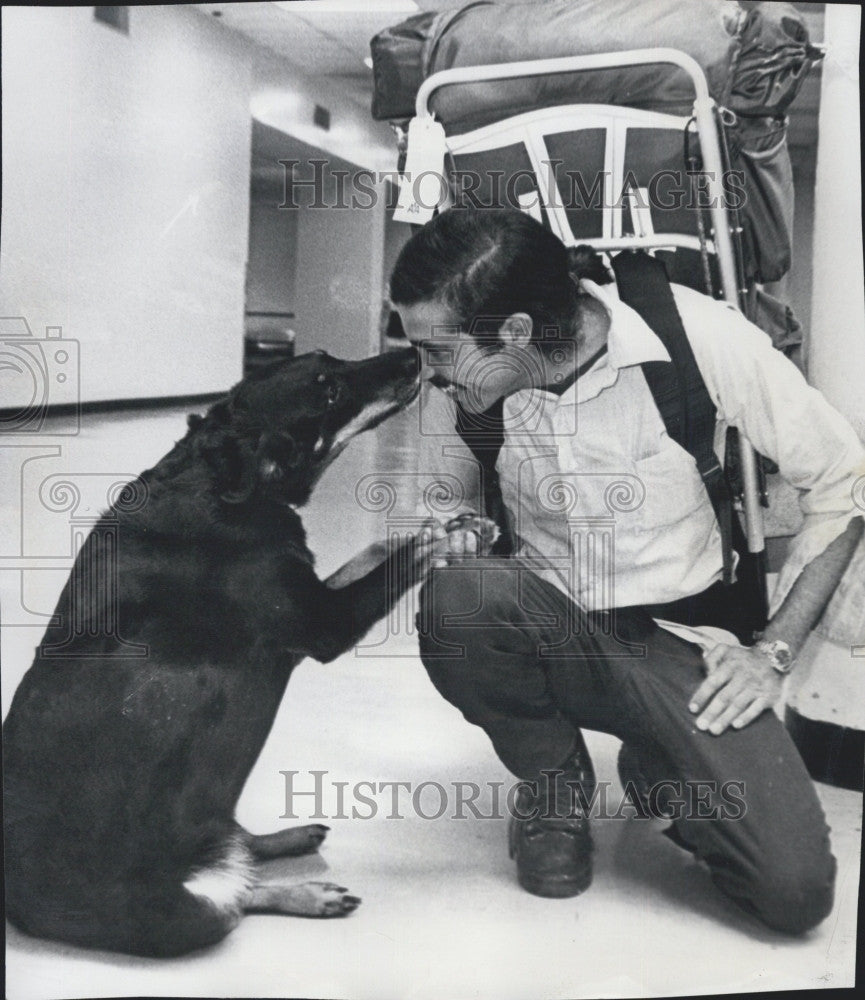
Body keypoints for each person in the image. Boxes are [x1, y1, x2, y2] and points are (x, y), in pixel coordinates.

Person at [389, 206, 864, 935]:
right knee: (459, 598)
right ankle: (555, 785)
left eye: (438, 352)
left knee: (792, 893)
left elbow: (843, 483)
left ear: (514, 335)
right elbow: (451, 502)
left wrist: (772, 652)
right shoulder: (466, 395)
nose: (426, 375)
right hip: (552, 625)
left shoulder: (694, 337)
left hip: (680, 644)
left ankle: (660, 766)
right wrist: (461, 528)